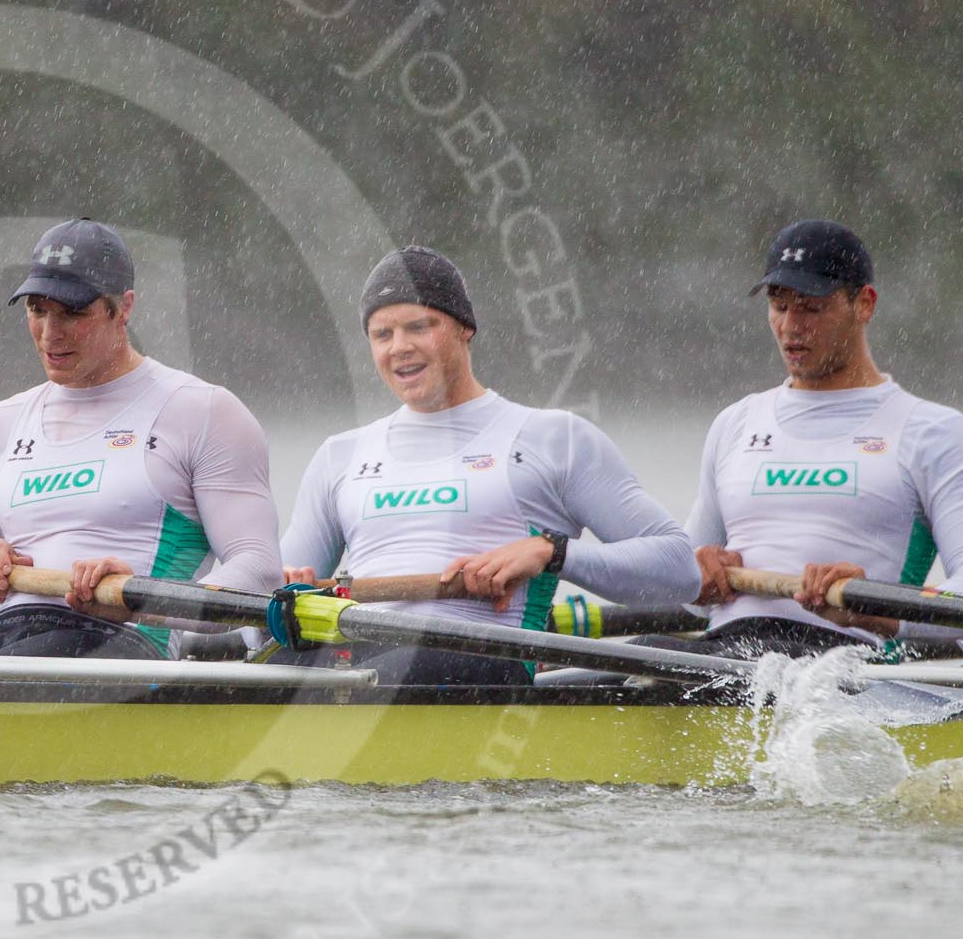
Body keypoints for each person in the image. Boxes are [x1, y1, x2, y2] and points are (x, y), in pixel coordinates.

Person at [279, 247, 699, 685]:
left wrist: (551, 552)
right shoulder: (339, 456)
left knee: (393, 674)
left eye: (419, 327)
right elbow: (259, 626)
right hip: (366, 660)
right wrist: (286, 587)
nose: (399, 347)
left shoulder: (553, 440)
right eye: (382, 334)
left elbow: (679, 571)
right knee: (274, 671)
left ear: (464, 328)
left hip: (481, 664)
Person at [0, 219, 281, 660]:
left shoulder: (203, 412)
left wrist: (139, 596)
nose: (49, 332)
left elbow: (261, 574)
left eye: (72, 312)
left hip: (123, 647)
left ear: (124, 308)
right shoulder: (2, 423)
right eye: (37, 310)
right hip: (9, 638)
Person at [656, 220, 963, 659]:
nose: (791, 326)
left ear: (865, 304)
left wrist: (874, 608)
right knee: (644, 651)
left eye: (811, 308)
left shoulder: (931, 432)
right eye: (779, 305)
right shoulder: (736, 423)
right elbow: (688, 597)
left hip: (846, 663)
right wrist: (696, 575)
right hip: (725, 652)